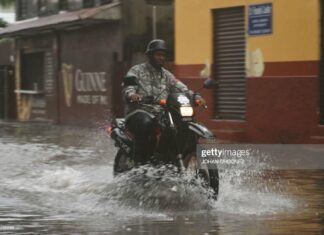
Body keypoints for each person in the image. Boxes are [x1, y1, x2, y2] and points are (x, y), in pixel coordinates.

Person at [122, 39, 205, 165]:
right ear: (150, 55)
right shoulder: (137, 70)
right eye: (158, 54)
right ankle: (140, 163)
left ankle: (167, 158)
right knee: (145, 123)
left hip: (161, 112)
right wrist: (132, 95)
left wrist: (195, 96)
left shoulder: (167, 75)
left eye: (163, 55)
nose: (161, 57)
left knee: (177, 125)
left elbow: (181, 88)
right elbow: (128, 86)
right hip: (139, 111)